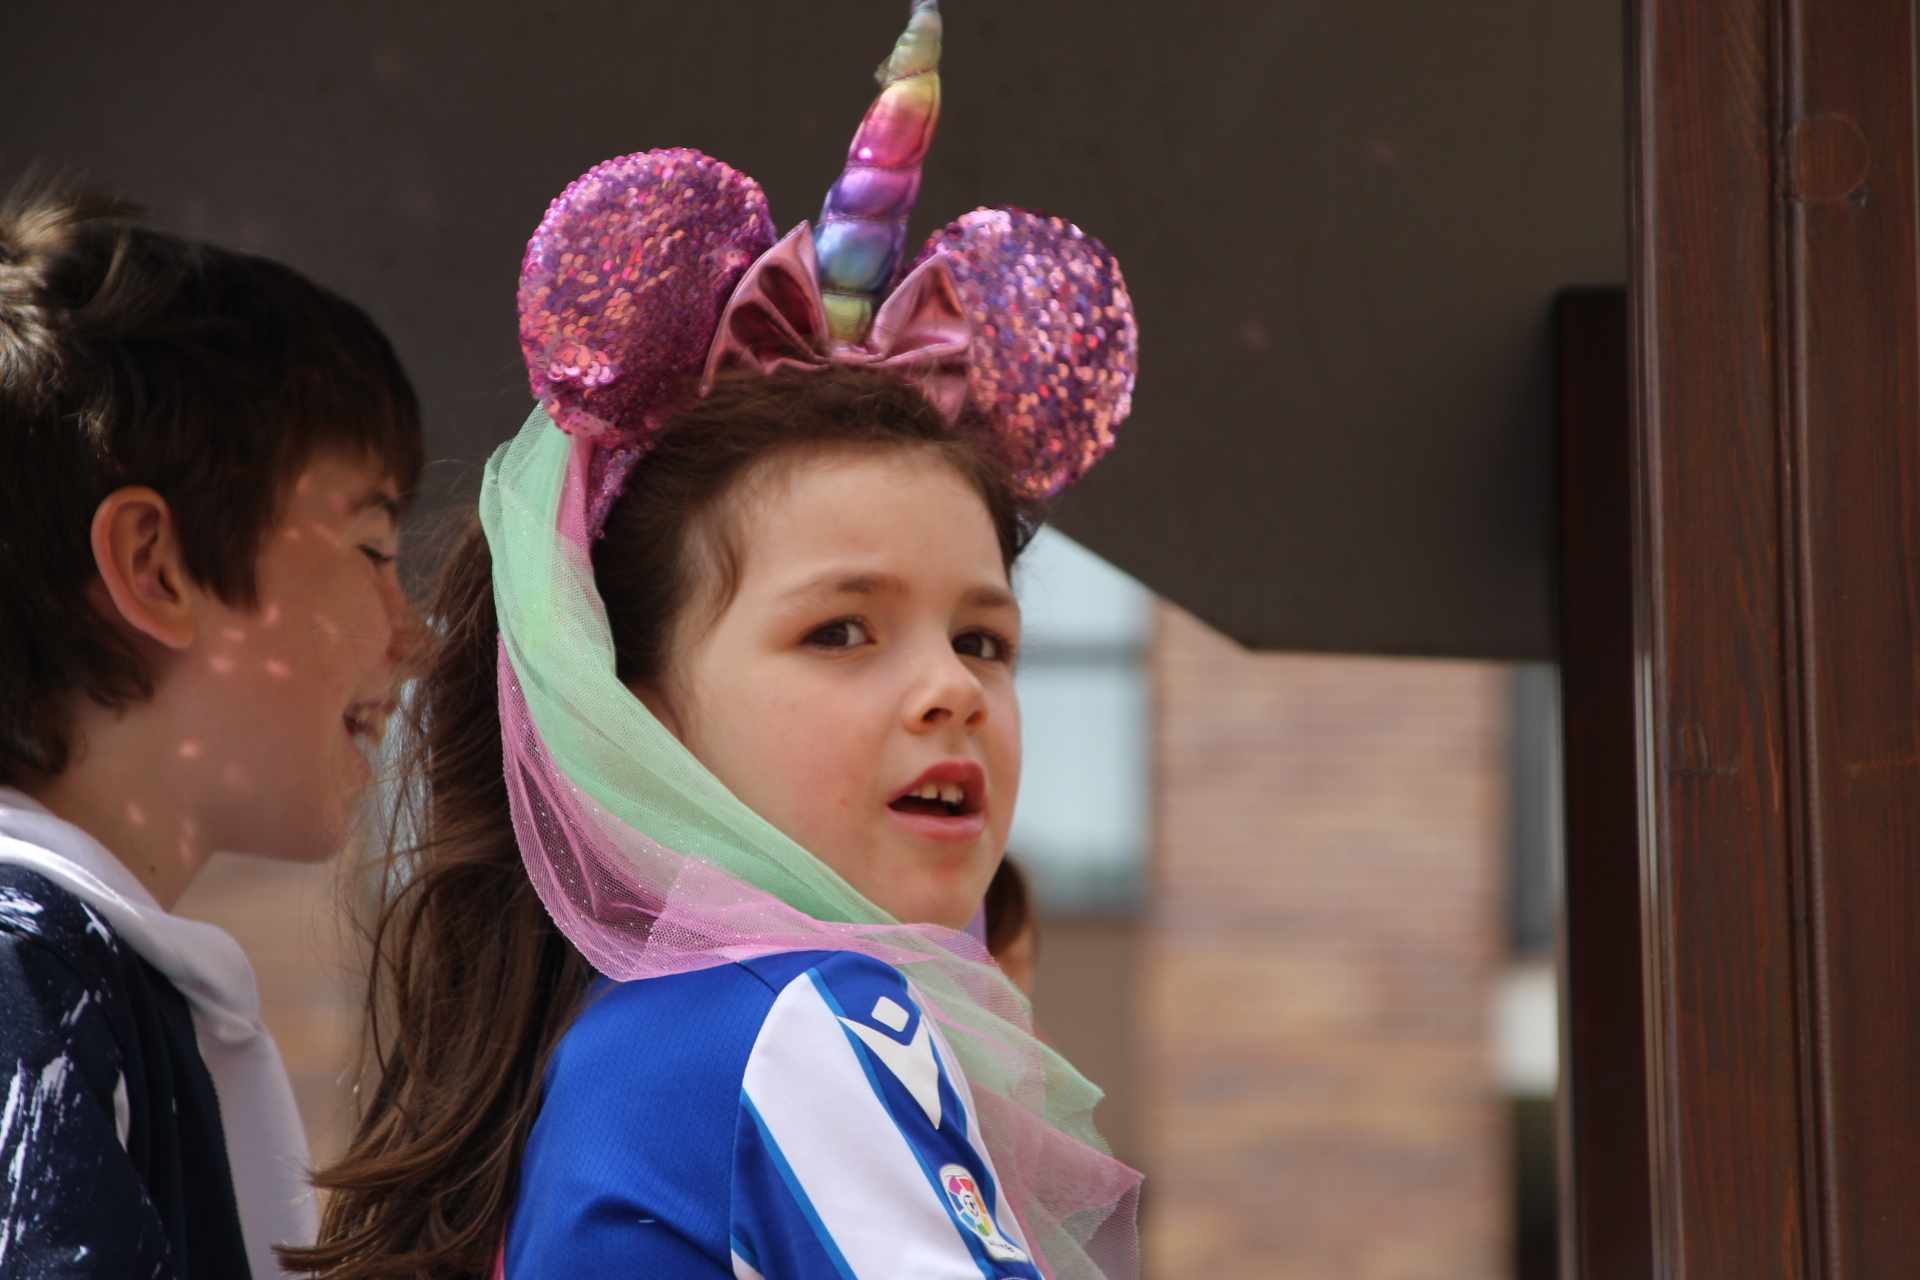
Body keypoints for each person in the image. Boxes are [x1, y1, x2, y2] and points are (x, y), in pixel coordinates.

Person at [298, 3, 1139, 1277]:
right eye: (841, 629)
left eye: (984, 638)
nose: (951, 689)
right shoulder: (799, 1018)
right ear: (627, 708)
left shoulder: (633, 1040)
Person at [0, 183, 423, 1278]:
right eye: (373, 552)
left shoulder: (75, 969)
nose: (413, 636)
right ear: (154, 565)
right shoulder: (25, 971)